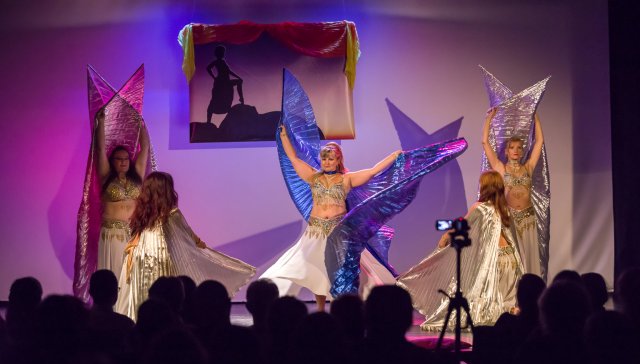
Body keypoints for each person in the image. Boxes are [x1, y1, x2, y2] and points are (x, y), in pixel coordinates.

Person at [260, 127, 401, 312]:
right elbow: (293, 158)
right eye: (324, 159)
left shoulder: (346, 179)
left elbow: (373, 171)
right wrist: (284, 136)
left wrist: (393, 156)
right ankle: (320, 311)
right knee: (316, 271)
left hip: (337, 232)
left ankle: (337, 310)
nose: (326, 162)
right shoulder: (313, 177)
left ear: (338, 160)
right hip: (315, 232)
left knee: (337, 272)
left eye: (331, 159)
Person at [115, 172, 256, 321]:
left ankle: (142, 319)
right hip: (160, 257)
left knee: (143, 289)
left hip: (139, 257)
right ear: (166, 190)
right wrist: (199, 244)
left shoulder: (143, 213)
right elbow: (187, 233)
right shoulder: (171, 213)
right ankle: (166, 320)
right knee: (165, 290)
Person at [397, 170, 523, 330]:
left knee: (482, 293)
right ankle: (509, 310)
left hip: (495, 261)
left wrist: (446, 235)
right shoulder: (503, 210)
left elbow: (462, 224)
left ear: (485, 187)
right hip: (509, 259)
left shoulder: (479, 208)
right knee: (500, 296)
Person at [481, 108, 545, 277]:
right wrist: (489, 119)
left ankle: (530, 289)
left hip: (528, 219)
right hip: (510, 219)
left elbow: (539, 142)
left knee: (529, 258)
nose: (516, 150)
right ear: (506, 151)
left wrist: (535, 116)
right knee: (514, 260)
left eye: (519, 148)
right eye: (512, 147)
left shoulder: (528, 167)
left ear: (522, 151)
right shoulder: (500, 168)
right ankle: (515, 290)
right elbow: (485, 143)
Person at [95, 108, 150, 279]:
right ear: (112, 161)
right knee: (116, 273)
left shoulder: (137, 176)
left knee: (131, 275)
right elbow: (100, 149)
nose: (123, 162)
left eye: (126, 159)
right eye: (119, 159)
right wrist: (101, 122)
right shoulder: (106, 176)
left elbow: (145, 148)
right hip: (112, 234)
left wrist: (140, 124)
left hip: (132, 233)